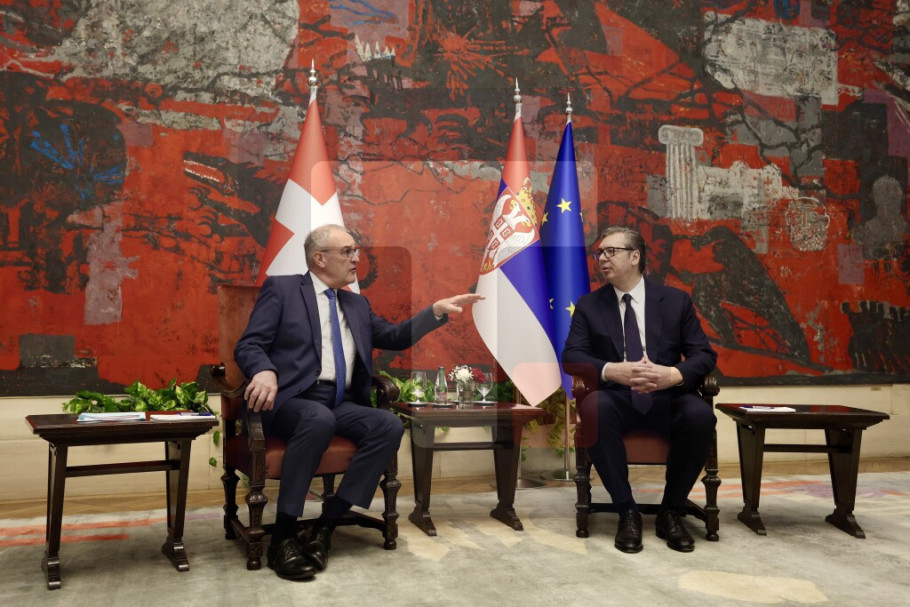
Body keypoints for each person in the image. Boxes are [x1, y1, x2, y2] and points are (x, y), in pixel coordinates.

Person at [235, 223, 483, 580]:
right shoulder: (284, 289)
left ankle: (326, 524)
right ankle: (284, 537)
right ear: (320, 258)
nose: (356, 258)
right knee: (317, 417)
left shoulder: (356, 302)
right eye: (347, 251)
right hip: (291, 401)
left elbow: (395, 337)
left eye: (356, 251)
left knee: (388, 424)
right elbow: (250, 344)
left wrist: (435, 311)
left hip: (339, 402)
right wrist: (263, 370)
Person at [562, 226, 717, 554]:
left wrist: (673, 374)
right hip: (617, 398)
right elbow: (572, 356)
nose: (602, 258)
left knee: (701, 416)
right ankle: (627, 511)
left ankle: (670, 511)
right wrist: (611, 370)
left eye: (611, 251)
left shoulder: (675, 301)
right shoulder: (590, 305)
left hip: (668, 397)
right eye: (599, 253)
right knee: (594, 408)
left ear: (635, 257)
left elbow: (704, 354)